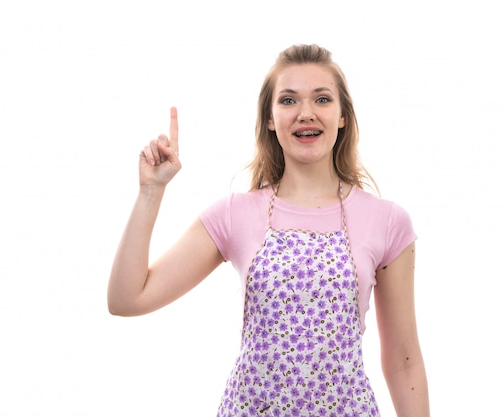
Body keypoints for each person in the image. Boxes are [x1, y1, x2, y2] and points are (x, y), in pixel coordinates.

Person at [108, 44, 430, 417]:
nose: (306, 113)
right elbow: (127, 299)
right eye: (289, 100)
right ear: (270, 119)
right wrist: (152, 191)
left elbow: (403, 361)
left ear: (342, 116)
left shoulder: (387, 222)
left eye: (322, 99)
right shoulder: (234, 214)